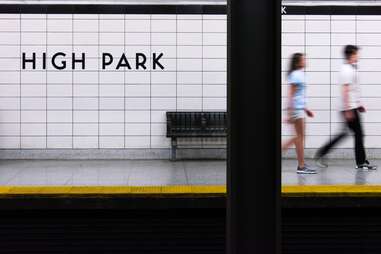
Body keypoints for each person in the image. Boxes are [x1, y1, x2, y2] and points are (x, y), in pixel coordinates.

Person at [314, 45, 377, 170]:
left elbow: (353, 89)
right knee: (358, 134)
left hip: (351, 107)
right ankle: (360, 162)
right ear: (351, 55)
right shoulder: (347, 70)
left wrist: (358, 105)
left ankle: (322, 153)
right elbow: (345, 90)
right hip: (348, 108)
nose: (358, 56)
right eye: (357, 53)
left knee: (347, 134)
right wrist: (348, 109)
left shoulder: (351, 68)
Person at [282, 53, 316, 174]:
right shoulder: (296, 75)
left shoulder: (299, 74)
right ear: (298, 63)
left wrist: (306, 109)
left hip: (299, 109)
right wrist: (290, 112)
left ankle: (301, 165)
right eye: (303, 59)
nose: (306, 61)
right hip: (296, 109)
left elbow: (299, 95)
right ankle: (301, 166)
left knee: (299, 138)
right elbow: (291, 94)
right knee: (299, 138)